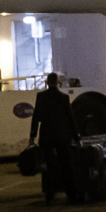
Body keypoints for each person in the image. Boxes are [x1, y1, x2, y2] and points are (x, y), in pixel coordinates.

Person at [29, 72, 77, 201]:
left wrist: (32, 136)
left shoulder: (41, 97)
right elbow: (71, 119)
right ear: (57, 82)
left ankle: (49, 195)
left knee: (48, 166)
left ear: (47, 82)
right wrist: (77, 137)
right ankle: (71, 194)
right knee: (66, 165)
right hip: (62, 136)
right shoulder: (64, 98)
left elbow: (36, 118)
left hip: (47, 136)